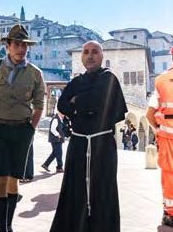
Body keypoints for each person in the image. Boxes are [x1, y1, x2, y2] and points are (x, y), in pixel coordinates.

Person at [50, 41, 127, 232]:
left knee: (103, 189)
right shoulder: (76, 82)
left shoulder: (109, 79)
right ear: (82, 57)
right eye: (86, 52)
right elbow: (62, 105)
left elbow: (114, 109)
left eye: (94, 52)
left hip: (102, 144)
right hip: (78, 143)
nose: (90, 55)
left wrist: (78, 101)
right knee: (74, 189)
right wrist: (88, 104)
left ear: (102, 56)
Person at [0, 24, 45, 232]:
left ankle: (8, 224)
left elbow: (39, 104)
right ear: (8, 46)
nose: (21, 49)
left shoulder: (35, 73)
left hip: (21, 131)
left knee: (14, 179)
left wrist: (30, 129)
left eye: (24, 45)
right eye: (17, 44)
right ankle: (1, 229)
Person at [146, 46, 173, 229]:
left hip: (171, 133)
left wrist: (157, 128)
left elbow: (150, 113)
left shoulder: (162, 79)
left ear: (172, 58)